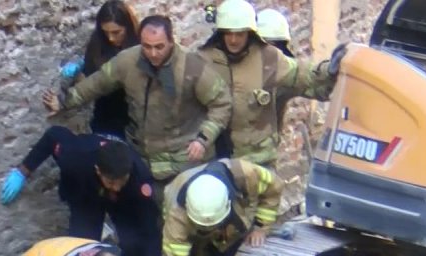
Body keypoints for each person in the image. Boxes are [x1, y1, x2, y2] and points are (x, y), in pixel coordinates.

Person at [42, 15, 232, 182]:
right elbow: (97, 83)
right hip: (143, 161)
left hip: (186, 161)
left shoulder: (193, 68)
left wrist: (203, 139)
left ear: (171, 42)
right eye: (147, 47)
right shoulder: (128, 61)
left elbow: (222, 103)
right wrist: (65, 101)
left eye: (159, 47)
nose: (153, 53)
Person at [1, 129, 161, 256]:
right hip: (87, 193)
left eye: (121, 181)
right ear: (98, 171)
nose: (116, 186)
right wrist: (23, 171)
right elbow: (53, 136)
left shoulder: (138, 180)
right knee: (84, 250)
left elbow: (150, 228)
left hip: (124, 201)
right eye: (111, 181)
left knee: (132, 247)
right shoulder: (77, 155)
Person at [197, 0, 338, 168]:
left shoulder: (272, 62)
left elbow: (307, 77)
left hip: (256, 160)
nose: (234, 40)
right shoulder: (205, 60)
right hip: (215, 155)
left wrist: (330, 70)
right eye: (229, 33)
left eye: (240, 34)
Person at [64, 1, 141, 138]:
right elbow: (89, 81)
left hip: (134, 113)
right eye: (106, 32)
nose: (111, 38)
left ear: (128, 28)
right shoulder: (98, 44)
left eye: (116, 32)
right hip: (106, 113)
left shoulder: (140, 45)